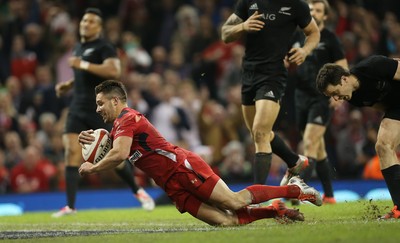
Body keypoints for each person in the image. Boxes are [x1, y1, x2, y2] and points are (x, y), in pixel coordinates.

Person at [78, 80, 322, 226]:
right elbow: (113, 147)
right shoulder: (118, 127)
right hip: (171, 185)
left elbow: (119, 154)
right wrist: (88, 140)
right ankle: (274, 211)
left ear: (115, 101)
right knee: (226, 221)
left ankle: (296, 190)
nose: (97, 108)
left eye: (100, 103)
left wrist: (93, 167)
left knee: (234, 202)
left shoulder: (128, 118)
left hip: (182, 168)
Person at [52, 8, 154, 218]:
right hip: (77, 107)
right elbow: (84, 76)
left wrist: (83, 63)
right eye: (84, 20)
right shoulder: (79, 47)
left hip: (100, 109)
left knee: (114, 157)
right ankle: (70, 206)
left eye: (91, 22)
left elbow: (113, 71)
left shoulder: (105, 46)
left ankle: (138, 191)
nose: (85, 24)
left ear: (98, 27)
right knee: (71, 152)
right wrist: (69, 85)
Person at [221, 0, 321, 185]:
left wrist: (305, 51)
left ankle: (257, 196)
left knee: (260, 133)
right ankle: (294, 161)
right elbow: (225, 34)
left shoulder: (296, 5)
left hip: (273, 75)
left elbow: (314, 33)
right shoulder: (247, 2)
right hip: (249, 74)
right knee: (258, 133)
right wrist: (243, 26)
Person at [315, 55, 400, 219]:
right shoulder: (354, 98)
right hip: (397, 107)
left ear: (344, 79)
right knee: (383, 146)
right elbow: (384, 106)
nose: (336, 99)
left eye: (335, 92)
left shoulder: (374, 66)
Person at [281, 0, 349, 204]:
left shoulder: (330, 39)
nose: (314, 13)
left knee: (309, 141)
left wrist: (340, 94)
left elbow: (343, 66)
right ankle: (329, 196)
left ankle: (297, 191)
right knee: (318, 148)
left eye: (318, 10)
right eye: (311, 9)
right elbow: (286, 60)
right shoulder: (296, 36)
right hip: (300, 97)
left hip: (322, 98)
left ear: (325, 16)